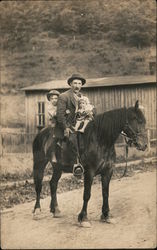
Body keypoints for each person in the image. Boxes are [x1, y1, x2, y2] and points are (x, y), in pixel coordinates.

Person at [54, 73, 94, 176]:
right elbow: (60, 115)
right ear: (70, 84)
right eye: (75, 83)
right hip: (69, 125)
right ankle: (77, 165)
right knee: (73, 139)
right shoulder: (64, 96)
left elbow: (89, 108)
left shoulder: (82, 97)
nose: (77, 86)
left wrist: (91, 112)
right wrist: (66, 127)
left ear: (81, 85)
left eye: (79, 83)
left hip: (81, 123)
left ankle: (93, 161)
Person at [46, 90, 60, 163]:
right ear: (49, 100)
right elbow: (54, 115)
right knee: (54, 137)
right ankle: (53, 154)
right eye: (52, 98)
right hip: (53, 124)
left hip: (61, 123)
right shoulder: (50, 107)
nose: (54, 100)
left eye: (56, 98)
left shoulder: (60, 106)